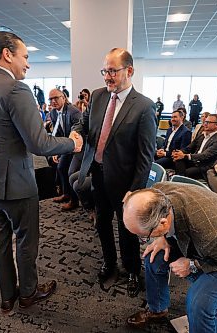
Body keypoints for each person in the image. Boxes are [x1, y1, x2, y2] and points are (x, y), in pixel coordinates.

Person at [0, 31, 82, 313]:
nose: (28, 64)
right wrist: (73, 143)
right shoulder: (16, 89)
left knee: (0, 240)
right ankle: (28, 293)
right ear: (8, 54)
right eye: (25, 57)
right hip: (13, 182)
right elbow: (39, 144)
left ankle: (8, 296)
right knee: (27, 240)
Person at [123, 183, 217, 331]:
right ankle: (158, 309)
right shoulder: (158, 191)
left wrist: (192, 265)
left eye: (143, 237)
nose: (143, 240)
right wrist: (162, 237)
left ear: (163, 223)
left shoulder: (215, 234)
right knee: (153, 258)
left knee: (199, 301)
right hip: (207, 241)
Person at [72, 48, 156, 298]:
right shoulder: (97, 96)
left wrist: (136, 190)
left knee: (127, 230)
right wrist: (76, 133)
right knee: (102, 224)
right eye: (104, 71)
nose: (107, 77)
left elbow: (145, 156)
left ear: (129, 71)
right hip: (97, 175)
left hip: (126, 183)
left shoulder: (144, 107)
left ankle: (131, 270)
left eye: (112, 71)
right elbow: (83, 124)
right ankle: (109, 263)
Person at [47, 88, 82, 211]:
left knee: (70, 172)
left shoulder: (73, 112)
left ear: (64, 98)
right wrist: (57, 151)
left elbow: (80, 133)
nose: (53, 101)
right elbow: (58, 134)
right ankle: (66, 194)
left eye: (56, 98)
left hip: (79, 148)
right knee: (61, 168)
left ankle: (74, 201)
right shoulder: (53, 113)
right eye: (50, 99)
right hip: (67, 146)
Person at [172, 114, 217, 180]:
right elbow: (189, 148)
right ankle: (180, 180)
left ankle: (180, 180)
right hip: (194, 161)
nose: (205, 124)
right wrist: (179, 152)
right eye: (205, 122)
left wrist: (185, 156)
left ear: (216, 125)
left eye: (208, 122)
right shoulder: (201, 136)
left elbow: (204, 155)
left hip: (204, 166)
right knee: (178, 160)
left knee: (187, 172)